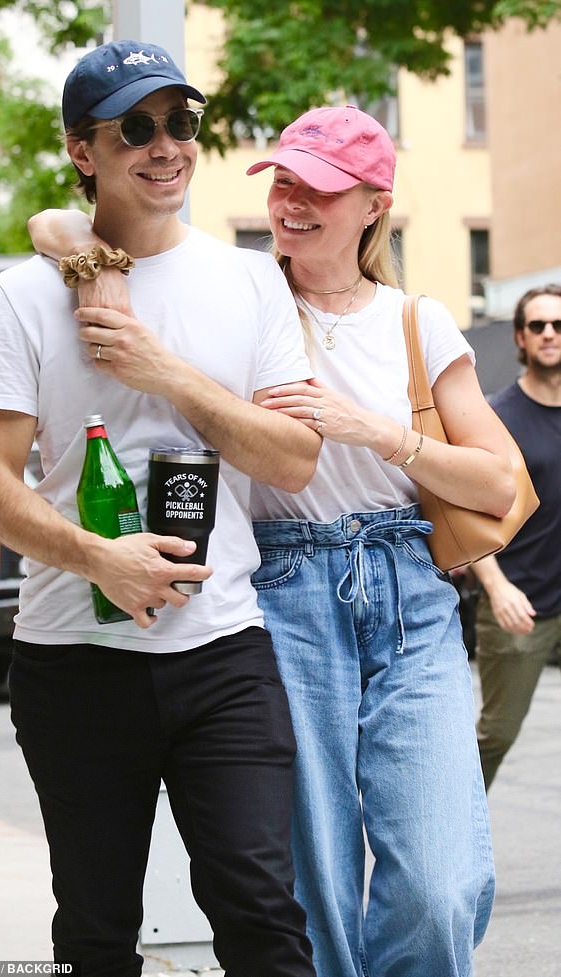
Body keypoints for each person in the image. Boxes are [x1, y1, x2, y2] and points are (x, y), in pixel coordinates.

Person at [32, 104, 518, 977]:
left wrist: (375, 431)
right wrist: (95, 262)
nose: (292, 203)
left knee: (441, 884)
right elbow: (62, 218)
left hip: (407, 587)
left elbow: (499, 483)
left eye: (321, 189)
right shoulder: (233, 291)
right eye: (284, 182)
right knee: (311, 884)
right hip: (284, 588)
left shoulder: (417, 321)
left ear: (375, 204)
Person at [0, 40, 320, 977]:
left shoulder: (249, 280)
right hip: (73, 659)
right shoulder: (22, 296)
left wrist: (162, 367)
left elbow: (294, 458)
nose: (166, 146)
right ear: (84, 150)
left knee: (260, 908)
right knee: (95, 924)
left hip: (223, 652)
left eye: (181, 122)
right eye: (137, 127)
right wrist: (100, 558)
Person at [472, 285, 561, 789]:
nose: (550, 334)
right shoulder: (497, 416)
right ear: (521, 338)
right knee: (497, 733)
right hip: (521, 596)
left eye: (558, 325)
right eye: (538, 326)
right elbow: (466, 513)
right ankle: (452, 839)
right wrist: (497, 586)